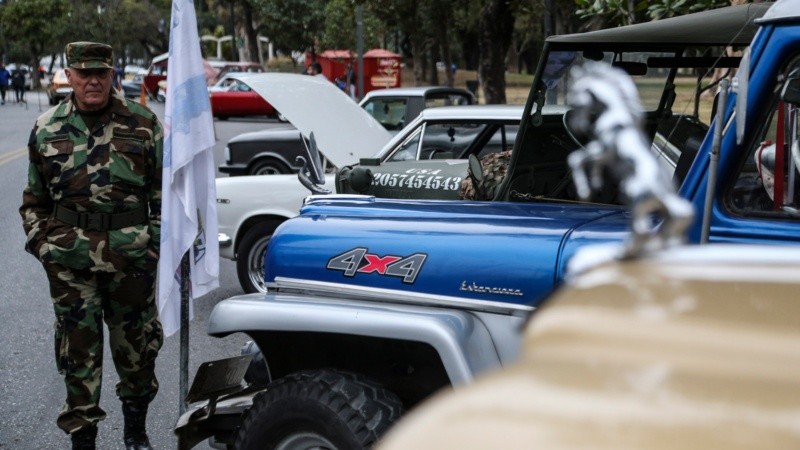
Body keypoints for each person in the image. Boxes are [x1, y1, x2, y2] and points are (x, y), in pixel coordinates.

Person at [19, 41, 163, 450]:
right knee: (77, 356)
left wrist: (153, 245)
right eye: (85, 74)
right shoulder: (47, 128)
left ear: (113, 74)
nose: (93, 81)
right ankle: (83, 439)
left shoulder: (144, 123)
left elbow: (165, 196)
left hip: (131, 261)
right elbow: (33, 203)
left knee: (136, 351)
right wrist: (45, 250)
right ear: (70, 76)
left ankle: (136, 432)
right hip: (69, 263)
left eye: (101, 72)